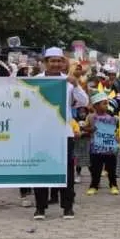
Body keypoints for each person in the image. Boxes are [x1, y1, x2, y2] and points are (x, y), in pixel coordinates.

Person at [31, 47, 83, 220]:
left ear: (63, 63)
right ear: (45, 63)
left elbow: (84, 101)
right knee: (40, 169)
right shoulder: (35, 81)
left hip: (63, 134)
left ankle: (67, 207)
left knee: (66, 171)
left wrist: (76, 84)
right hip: (41, 133)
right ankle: (40, 208)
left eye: (59, 61)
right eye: (52, 61)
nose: (56, 64)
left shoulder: (68, 81)